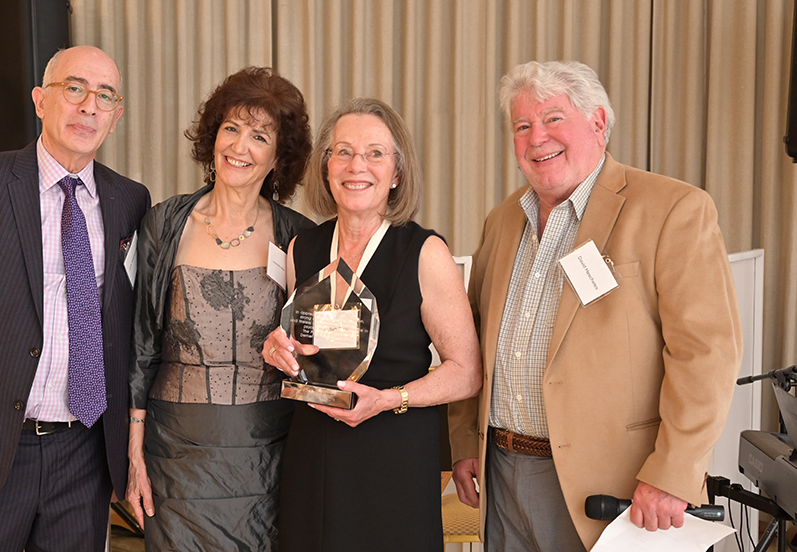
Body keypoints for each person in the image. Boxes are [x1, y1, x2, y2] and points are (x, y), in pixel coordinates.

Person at [447, 60, 743, 551]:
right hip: (500, 476)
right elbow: (470, 342)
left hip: (614, 489)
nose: (537, 137)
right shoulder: (502, 221)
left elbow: (706, 355)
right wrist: (463, 442)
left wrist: (673, 471)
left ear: (599, 123)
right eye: (522, 126)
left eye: (553, 118)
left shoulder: (672, 209)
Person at [0, 46, 151, 551]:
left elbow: (131, 330)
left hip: (84, 454)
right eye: (74, 88)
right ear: (40, 100)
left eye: (105, 96)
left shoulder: (130, 201)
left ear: (116, 115)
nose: (89, 107)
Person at [263, 98, 483, 552]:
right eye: (342, 152)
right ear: (326, 168)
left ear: (397, 173)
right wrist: (276, 348)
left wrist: (388, 399)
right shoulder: (301, 248)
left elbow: (466, 372)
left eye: (375, 153)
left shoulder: (424, 253)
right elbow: (299, 344)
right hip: (312, 452)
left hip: (393, 456)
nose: (355, 165)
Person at [125, 66, 315, 551]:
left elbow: (312, 354)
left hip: (268, 451)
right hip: (175, 453)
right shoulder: (165, 223)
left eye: (259, 136)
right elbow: (141, 345)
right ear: (212, 138)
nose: (240, 146)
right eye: (231, 128)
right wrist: (133, 451)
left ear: (279, 156)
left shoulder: (300, 236)